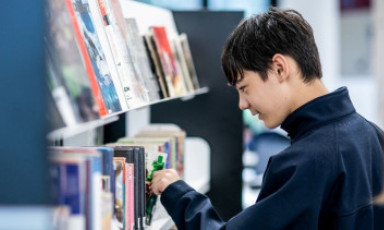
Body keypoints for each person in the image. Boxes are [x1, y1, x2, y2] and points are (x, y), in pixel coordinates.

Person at [150, 7, 384, 229]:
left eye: (244, 87)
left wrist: (177, 193)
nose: (242, 104)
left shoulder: (304, 163)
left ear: (279, 68)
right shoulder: (370, 133)